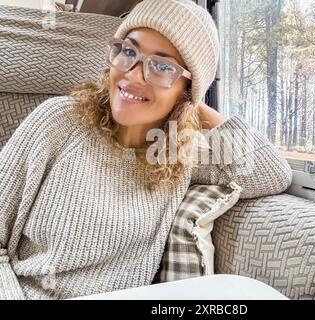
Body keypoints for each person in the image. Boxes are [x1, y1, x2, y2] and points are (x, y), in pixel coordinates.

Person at [0, 0, 292, 300]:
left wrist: (195, 100)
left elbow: (271, 173)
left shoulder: (180, 152)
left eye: (162, 66)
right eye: (129, 52)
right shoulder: (58, 121)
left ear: (186, 89)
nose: (133, 75)